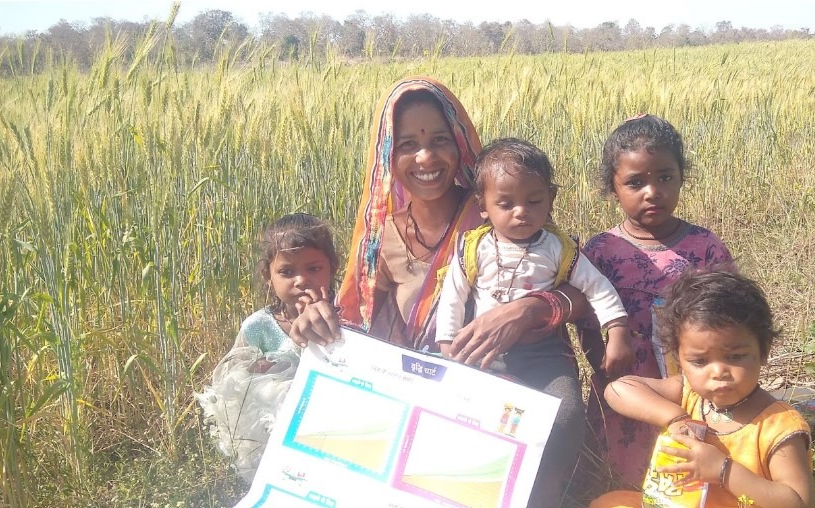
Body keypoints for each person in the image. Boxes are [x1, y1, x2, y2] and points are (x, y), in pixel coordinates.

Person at [288, 77, 589, 506]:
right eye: (408, 144)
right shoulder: (380, 239)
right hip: (436, 382)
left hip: (522, 368)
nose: (425, 157)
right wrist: (317, 324)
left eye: (439, 140)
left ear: (460, 144)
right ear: (388, 155)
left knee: (556, 420)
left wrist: (528, 309)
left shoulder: (498, 209)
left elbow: (579, 290)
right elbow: (358, 323)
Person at [435, 137, 631, 505]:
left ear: (551, 198)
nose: (521, 212)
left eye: (534, 201)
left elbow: (598, 288)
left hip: (546, 356)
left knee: (565, 413)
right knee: (476, 420)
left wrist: (617, 330)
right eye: (506, 204)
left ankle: (547, 487)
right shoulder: (472, 248)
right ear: (482, 206)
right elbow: (453, 297)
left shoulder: (560, 249)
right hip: (484, 355)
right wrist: (448, 346)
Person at [577, 114, 735, 486]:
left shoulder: (704, 247)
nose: (652, 191)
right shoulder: (601, 251)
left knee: (690, 475)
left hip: (692, 383)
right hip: (626, 384)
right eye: (635, 182)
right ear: (613, 187)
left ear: (681, 177)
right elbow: (586, 321)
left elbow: (732, 314)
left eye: (665, 177)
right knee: (619, 482)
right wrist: (603, 365)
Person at [591, 271, 815, 508]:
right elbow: (617, 390)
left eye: (735, 356)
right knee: (607, 504)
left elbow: (800, 503)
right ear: (678, 359)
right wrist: (675, 418)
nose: (718, 372)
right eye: (699, 361)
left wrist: (723, 470)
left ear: (764, 351)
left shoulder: (778, 426)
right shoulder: (689, 393)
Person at [196, 213, 339, 483]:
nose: (301, 280)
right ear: (268, 276)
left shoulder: (346, 321)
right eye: (287, 272)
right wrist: (259, 369)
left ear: (332, 267)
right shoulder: (258, 326)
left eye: (314, 269)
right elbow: (234, 377)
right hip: (274, 438)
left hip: (329, 435)